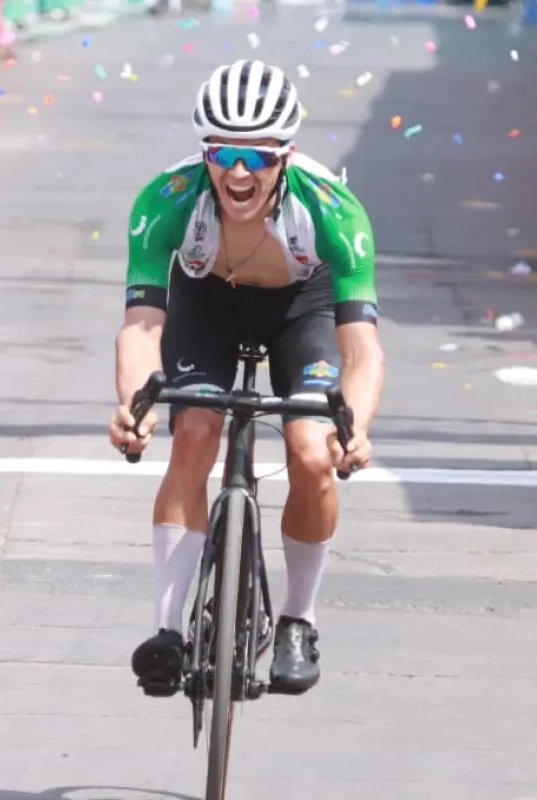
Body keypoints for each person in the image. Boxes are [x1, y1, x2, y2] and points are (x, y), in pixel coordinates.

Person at [107, 59, 383, 697]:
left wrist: (356, 426)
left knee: (313, 454)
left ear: (285, 155)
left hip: (301, 307)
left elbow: (362, 348)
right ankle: (168, 631)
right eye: (224, 153)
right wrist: (135, 406)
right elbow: (143, 327)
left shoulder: (334, 212)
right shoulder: (166, 201)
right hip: (206, 302)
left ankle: (298, 620)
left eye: (257, 157)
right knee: (195, 430)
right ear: (205, 151)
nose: (238, 172)